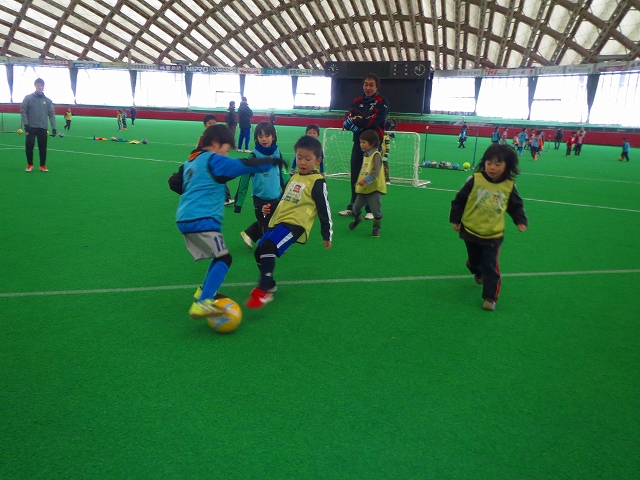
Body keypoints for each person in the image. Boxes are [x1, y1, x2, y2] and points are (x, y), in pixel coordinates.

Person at [174, 124, 287, 319]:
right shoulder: (213, 159)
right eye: (226, 149)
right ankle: (202, 303)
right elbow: (242, 166)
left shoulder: (191, 161)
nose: (226, 154)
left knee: (219, 256)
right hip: (203, 219)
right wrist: (271, 161)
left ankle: (204, 292)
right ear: (216, 144)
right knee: (225, 258)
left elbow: (174, 182)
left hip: (184, 218)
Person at [245, 135, 332, 308]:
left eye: (308, 159)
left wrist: (326, 233)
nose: (303, 162)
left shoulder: (317, 182)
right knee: (259, 251)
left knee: (268, 246)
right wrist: (270, 208)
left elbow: (324, 209)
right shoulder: (294, 177)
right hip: (280, 221)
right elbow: (284, 199)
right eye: (299, 157)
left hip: (296, 225)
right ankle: (270, 284)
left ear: (318, 160)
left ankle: (264, 290)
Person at [449, 144, 528, 311]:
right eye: (489, 163)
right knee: (475, 262)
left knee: (491, 266)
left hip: (493, 234)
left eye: (498, 164)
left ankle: (490, 297)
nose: (492, 167)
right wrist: (455, 219)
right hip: (470, 230)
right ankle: (476, 270)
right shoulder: (474, 180)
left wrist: (520, 220)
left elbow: (515, 206)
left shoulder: (509, 185)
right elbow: (459, 200)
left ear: (507, 166)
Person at [339, 73, 389, 216]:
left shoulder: (382, 102)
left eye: (371, 85)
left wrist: (357, 122)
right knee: (355, 174)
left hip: (373, 146)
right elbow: (347, 119)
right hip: (358, 143)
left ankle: (370, 210)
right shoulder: (356, 101)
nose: (368, 87)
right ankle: (353, 207)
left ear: (376, 86)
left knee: (371, 175)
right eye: (366, 84)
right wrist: (355, 122)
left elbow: (372, 121)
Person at [235, 121, 286, 249]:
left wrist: (288, 190)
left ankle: (249, 234)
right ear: (256, 138)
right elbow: (244, 180)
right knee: (265, 222)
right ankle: (266, 246)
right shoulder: (254, 156)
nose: (264, 139)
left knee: (275, 221)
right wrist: (239, 202)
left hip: (276, 196)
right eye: (260, 136)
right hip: (260, 198)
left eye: (267, 136)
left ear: (273, 137)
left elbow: (283, 175)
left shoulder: (278, 154)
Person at [347, 130, 386, 237]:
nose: (361, 145)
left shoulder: (376, 155)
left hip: (374, 189)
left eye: (364, 142)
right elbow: (364, 171)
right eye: (360, 142)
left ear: (372, 143)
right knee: (355, 208)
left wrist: (365, 180)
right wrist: (359, 182)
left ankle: (376, 227)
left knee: (376, 211)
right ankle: (358, 220)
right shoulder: (366, 155)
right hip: (364, 189)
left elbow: (375, 171)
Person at [195, 114, 234, 206]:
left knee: (220, 180)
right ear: (205, 125)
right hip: (207, 164)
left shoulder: (218, 138)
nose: (212, 125)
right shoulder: (203, 138)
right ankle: (225, 198)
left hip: (216, 163)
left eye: (214, 123)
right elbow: (197, 150)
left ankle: (225, 198)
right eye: (210, 124)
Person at [20, 78, 56, 172]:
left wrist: (54, 127)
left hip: (43, 127)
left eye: (41, 85)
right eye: (38, 85)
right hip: (31, 127)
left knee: (43, 147)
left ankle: (42, 166)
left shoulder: (48, 101)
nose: (39, 87)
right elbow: (23, 111)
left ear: (43, 87)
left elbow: (52, 115)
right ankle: (30, 165)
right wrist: (26, 124)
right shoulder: (28, 98)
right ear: (35, 86)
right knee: (29, 146)